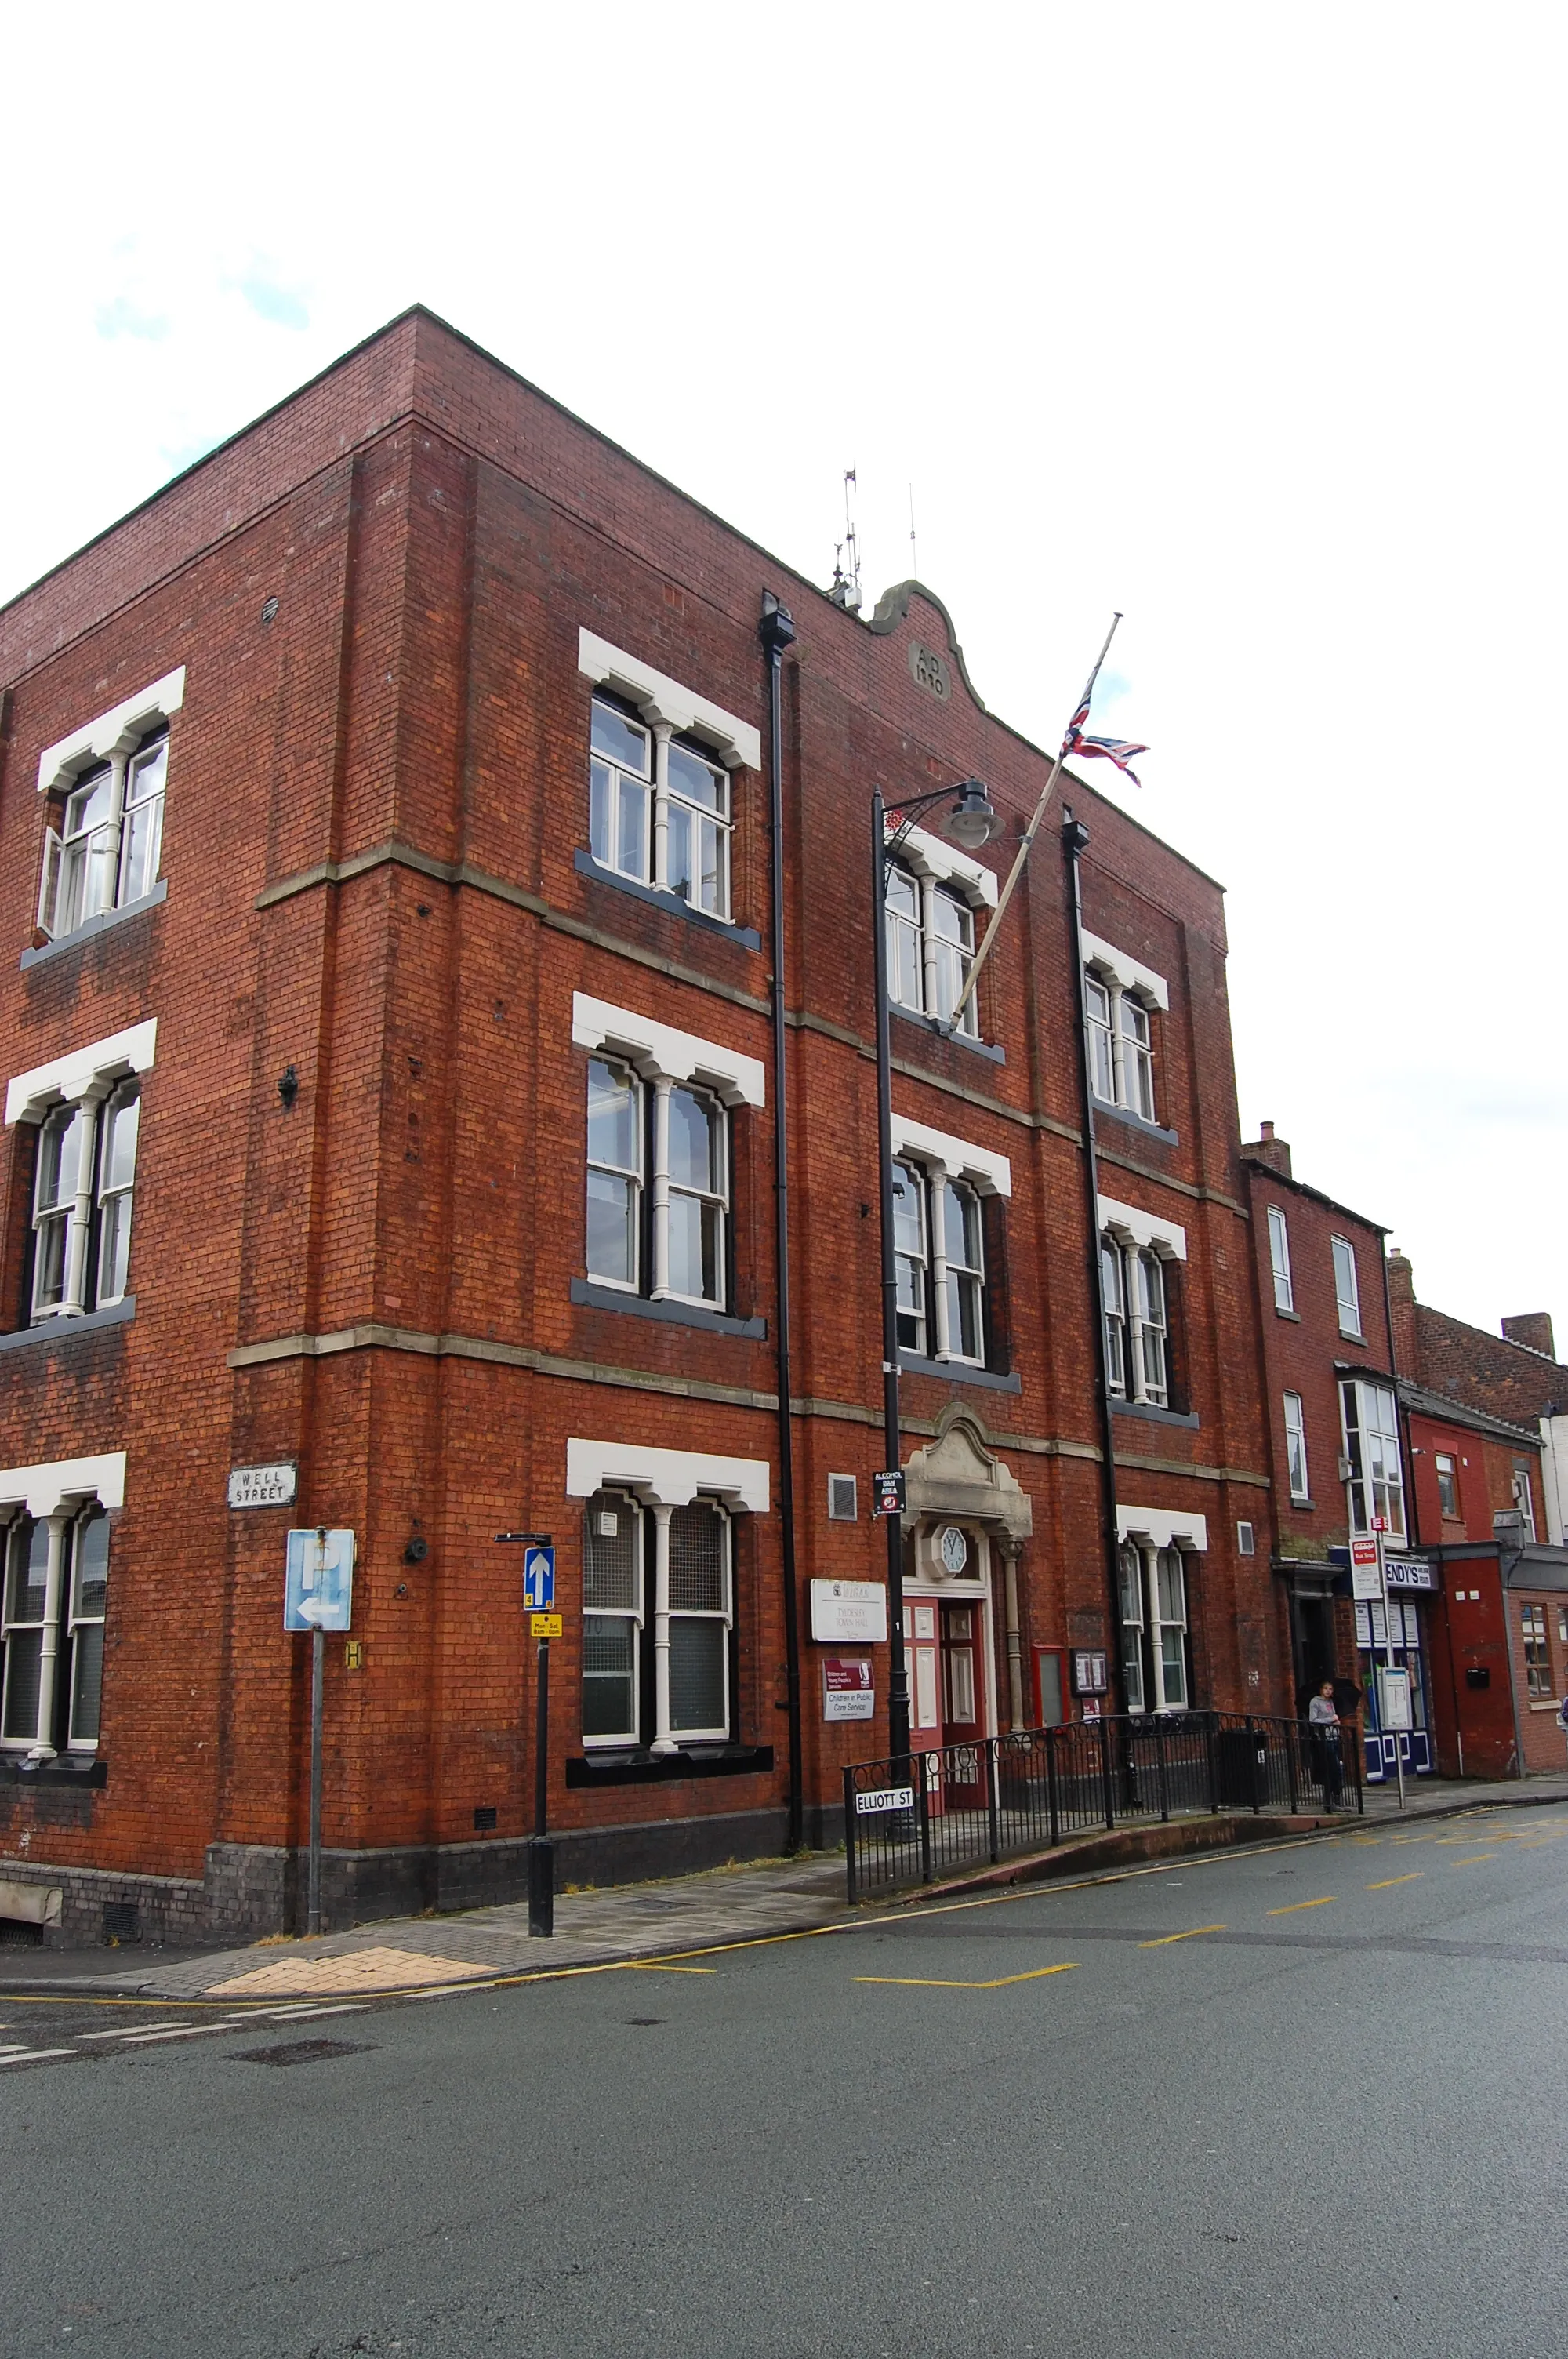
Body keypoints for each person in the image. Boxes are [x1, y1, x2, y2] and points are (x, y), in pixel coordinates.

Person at [1308, 1681, 1343, 1805]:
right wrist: (1331, 1719)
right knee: (1332, 1768)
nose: (1328, 1691)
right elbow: (1313, 1721)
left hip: (1334, 1737)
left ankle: (1336, 1796)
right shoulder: (1315, 1702)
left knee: (1338, 1770)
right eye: (1326, 1688)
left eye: (1330, 1689)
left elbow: (1334, 1719)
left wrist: (1337, 1723)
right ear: (1321, 1689)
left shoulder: (1331, 1702)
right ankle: (1330, 1799)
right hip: (1324, 1739)